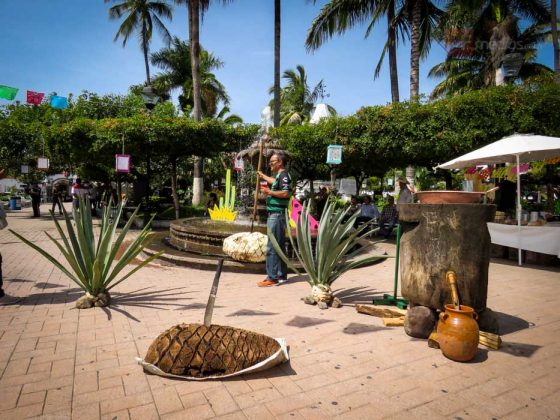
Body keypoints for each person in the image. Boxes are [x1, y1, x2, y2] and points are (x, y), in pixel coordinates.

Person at [257, 151, 291, 287]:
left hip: (276, 215)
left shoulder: (284, 175)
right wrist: (263, 176)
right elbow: (274, 181)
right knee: (280, 246)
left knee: (272, 246)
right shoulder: (280, 176)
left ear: (280, 162)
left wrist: (269, 192)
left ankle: (272, 277)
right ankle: (281, 275)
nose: (270, 164)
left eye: (272, 162)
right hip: (278, 215)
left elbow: (285, 192)